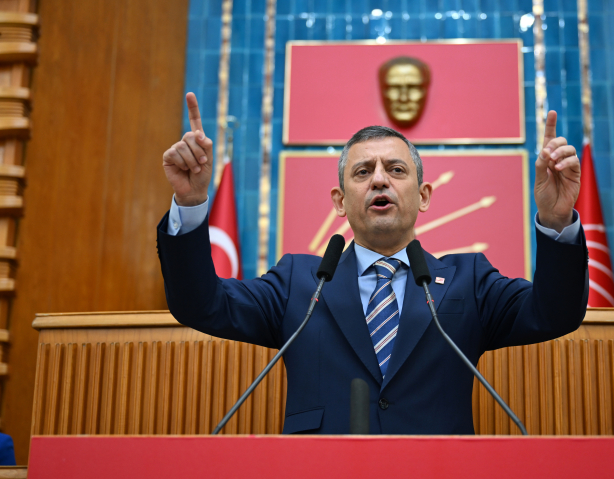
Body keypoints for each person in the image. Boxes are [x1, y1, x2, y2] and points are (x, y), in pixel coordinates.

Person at [157, 93, 589, 434]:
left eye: (396, 170)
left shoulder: (469, 281)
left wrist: (557, 221)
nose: (380, 178)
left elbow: (554, 313)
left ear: (423, 196)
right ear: (340, 202)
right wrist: (190, 204)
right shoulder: (297, 283)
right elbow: (202, 305)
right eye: (363, 172)